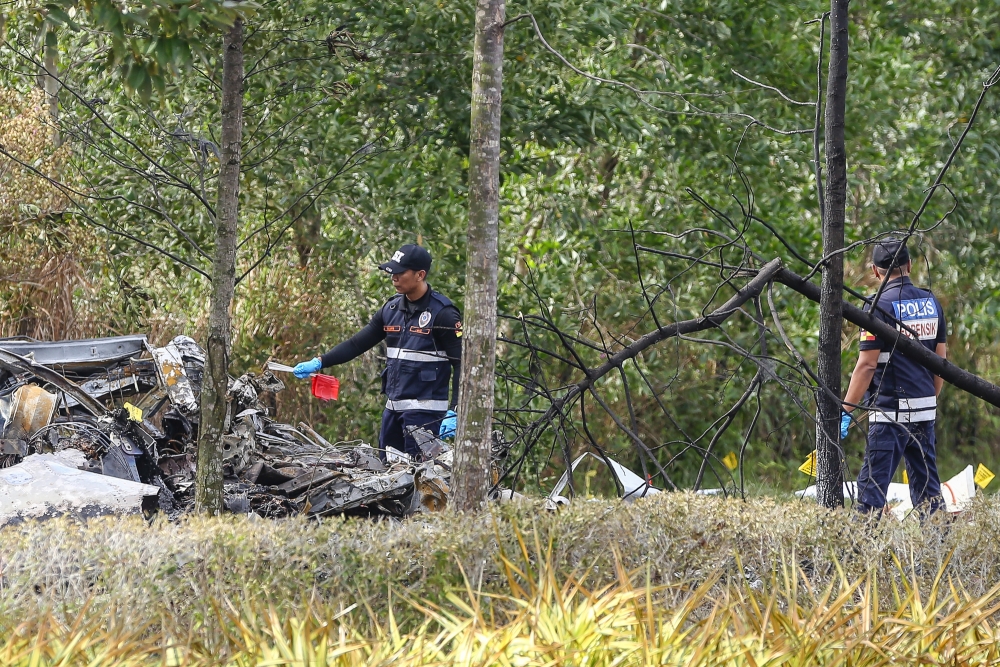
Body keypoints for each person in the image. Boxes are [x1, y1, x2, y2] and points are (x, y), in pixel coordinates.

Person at [293, 244, 461, 460]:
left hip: (426, 416)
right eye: (392, 272)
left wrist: (455, 410)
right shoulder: (391, 310)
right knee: (388, 475)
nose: (394, 277)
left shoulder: (443, 314)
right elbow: (356, 344)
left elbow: (461, 363)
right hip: (392, 411)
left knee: (419, 479)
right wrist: (319, 362)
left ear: (420, 275)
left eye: (400, 273)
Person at [841, 237, 947, 515]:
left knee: (871, 495)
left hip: (890, 415)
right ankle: (940, 553)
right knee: (929, 495)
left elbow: (867, 366)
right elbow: (941, 362)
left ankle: (855, 555)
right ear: (909, 265)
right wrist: (927, 400)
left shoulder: (877, 307)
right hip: (924, 411)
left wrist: (846, 411)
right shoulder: (931, 302)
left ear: (876, 271)